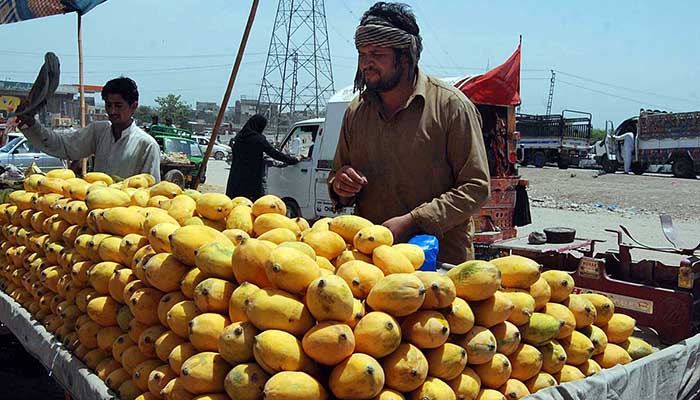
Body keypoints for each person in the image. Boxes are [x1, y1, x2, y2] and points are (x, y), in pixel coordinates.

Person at [328, 2, 490, 263]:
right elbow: (338, 175)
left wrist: (414, 222)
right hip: (372, 265)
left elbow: (476, 187)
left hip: (439, 266)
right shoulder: (357, 112)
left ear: (405, 57)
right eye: (362, 54)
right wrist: (341, 186)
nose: (366, 63)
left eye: (377, 54)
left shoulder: (451, 107)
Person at [16, 77, 161, 181]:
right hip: (95, 215)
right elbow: (63, 145)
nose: (112, 111)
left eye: (118, 105)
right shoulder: (99, 131)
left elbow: (152, 192)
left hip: (126, 219)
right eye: (108, 105)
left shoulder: (147, 145)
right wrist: (31, 125)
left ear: (133, 106)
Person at [226, 114, 299, 200]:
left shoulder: (238, 137)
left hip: (236, 177)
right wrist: (293, 160)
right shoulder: (258, 139)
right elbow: (274, 153)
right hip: (251, 179)